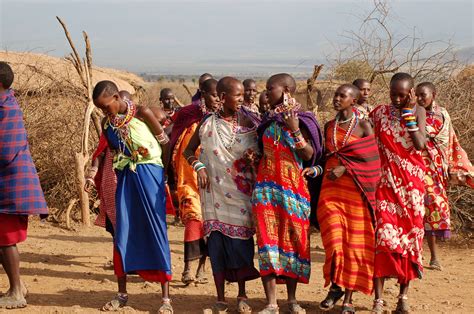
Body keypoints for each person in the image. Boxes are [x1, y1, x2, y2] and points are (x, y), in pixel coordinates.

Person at [92, 80, 173, 313]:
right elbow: (113, 152)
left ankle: (166, 299)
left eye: (106, 106)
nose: (104, 111)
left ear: (117, 97)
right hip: (126, 177)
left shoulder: (143, 113)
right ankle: (122, 294)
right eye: (100, 108)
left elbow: (164, 145)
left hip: (151, 174)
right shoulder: (108, 124)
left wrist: (163, 175)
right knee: (122, 230)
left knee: (156, 229)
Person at [183, 76, 260, 313]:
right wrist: (199, 167)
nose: (243, 98)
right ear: (224, 97)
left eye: (242, 94)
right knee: (216, 244)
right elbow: (188, 151)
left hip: (240, 194)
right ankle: (220, 298)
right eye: (237, 95)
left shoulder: (251, 122)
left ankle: (242, 295)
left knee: (241, 245)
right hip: (213, 194)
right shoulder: (207, 123)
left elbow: (260, 155)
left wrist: (252, 159)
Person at [252, 73, 323, 314]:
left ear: (286, 91)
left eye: (270, 88)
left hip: (294, 192)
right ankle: (271, 303)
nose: (266, 92)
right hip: (266, 192)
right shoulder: (268, 121)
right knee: (267, 243)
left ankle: (292, 300)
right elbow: (262, 149)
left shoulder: (304, 120)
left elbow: (310, 155)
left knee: (294, 242)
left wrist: (295, 131)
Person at [307, 84, 380, 313]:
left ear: (354, 100)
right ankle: (335, 286)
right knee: (334, 243)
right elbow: (325, 157)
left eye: (342, 96)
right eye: (336, 95)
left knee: (354, 245)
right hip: (330, 191)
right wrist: (316, 172)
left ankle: (347, 297)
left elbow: (373, 160)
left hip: (356, 192)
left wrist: (345, 170)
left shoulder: (364, 125)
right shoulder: (329, 126)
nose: (337, 98)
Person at [370, 73, 426, 313]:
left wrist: (409, 115)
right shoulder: (379, 113)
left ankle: (403, 297)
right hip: (383, 183)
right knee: (382, 238)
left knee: (409, 240)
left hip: (411, 186)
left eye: (402, 95)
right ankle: (378, 300)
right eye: (393, 93)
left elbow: (420, 144)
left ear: (411, 93)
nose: (396, 98)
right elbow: (368, 141)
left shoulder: (418, 111)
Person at [0, 62, 48, 309]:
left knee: (5, 239)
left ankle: (17, 291)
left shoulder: (7, 109)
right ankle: (16, 286)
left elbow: (6, 151)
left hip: (11, 183)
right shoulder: (6, 105)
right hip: (7, 182)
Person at [415, 82, 474, 270]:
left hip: (437, 169)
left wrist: (454, 166)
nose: (419, 99)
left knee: (433, 209)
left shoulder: (444, 115)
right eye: (417, 95)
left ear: (434, 94)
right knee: (414, 209)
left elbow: (451, 142)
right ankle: (415, 255)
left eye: (423, 95)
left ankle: (433, 257)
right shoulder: (413, 113)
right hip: (415, 168)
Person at [171, 78, 219, 286]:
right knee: (193, 219)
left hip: (214, 182)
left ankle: (202, 268)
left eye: (220, 95)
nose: (218, 99)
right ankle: (188, 268)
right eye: (214, 95)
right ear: (203, 94)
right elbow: (173, 141)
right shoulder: (188, 114)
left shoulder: (224, 118)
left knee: (209, 224)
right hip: (189, 177)